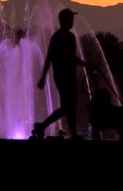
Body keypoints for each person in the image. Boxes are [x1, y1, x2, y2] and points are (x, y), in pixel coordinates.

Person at [34, 8, 101, 139]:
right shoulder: (60, 38)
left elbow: (60, 57)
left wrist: (43, 77)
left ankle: (72, 133)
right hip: (63, 77)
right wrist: (87, 65)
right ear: (63, 20)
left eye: (72, 18)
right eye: (70, 19)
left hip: (68, 76)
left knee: (70, 106)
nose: (72, 21)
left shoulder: (67, 37)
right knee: (68, 106)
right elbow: (62, 57)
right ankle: (42, 126)